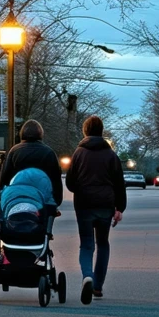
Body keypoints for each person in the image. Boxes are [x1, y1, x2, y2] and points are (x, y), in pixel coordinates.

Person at [63, 115, 126, 304]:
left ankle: (87, 276)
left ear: (85, 131)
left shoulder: (79, 153)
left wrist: (81, 189)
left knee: (87, 244)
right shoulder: (111, 155)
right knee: (103, 243)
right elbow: (119, 184)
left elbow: (70, 182)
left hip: (84, 204)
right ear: (101, 131)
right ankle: (98, 286)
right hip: (106, 204)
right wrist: (119, 208)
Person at [0, 119, 64, 209]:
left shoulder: (14, 151)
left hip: (18, 197)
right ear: (40, 134)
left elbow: (5, 176)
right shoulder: (48, 152)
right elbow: (55, 178)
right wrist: (56, 200)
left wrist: (1, 196)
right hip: (42, 197)